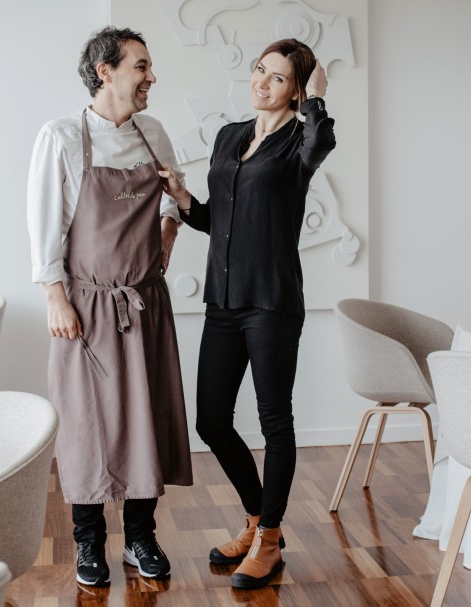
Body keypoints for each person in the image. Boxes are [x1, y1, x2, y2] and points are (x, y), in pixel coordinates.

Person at [158, 38, 335, 590]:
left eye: (278, 77)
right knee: (210, 419)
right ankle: (259, 522)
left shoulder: (301, 142)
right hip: (223, 301)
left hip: (272, 303)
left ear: (297, 90)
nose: (261, 82)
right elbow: (219, 220)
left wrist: (318, 100)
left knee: (274, 421)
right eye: (260, 70)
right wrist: (184, 198)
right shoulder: (230, 135)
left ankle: (271, 539)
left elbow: (322, 140)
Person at [26, 26, 193, 588]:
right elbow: (44, 224)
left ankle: (140, 538)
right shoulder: (62, 137)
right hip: (88, 305)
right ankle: (89, 543)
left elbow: (176, 195)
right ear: (106, 72)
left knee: (144, 420)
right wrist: (55, 296)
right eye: (141, 66)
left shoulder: (153, 133)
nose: (151, 77)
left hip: (145, 301)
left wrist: (168, 236)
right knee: (88, 426)